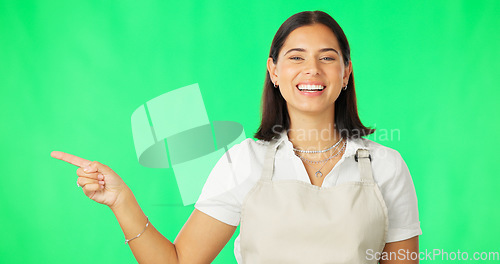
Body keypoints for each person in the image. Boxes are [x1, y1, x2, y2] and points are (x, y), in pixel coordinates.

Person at [51, 10, 421, 264]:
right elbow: (180, 261)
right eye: (295, 57)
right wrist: (121, 200)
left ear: (345, 73)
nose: (312, 69)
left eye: (327, 58)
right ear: (274, 72)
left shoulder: (386, 166)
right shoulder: (244, 161)